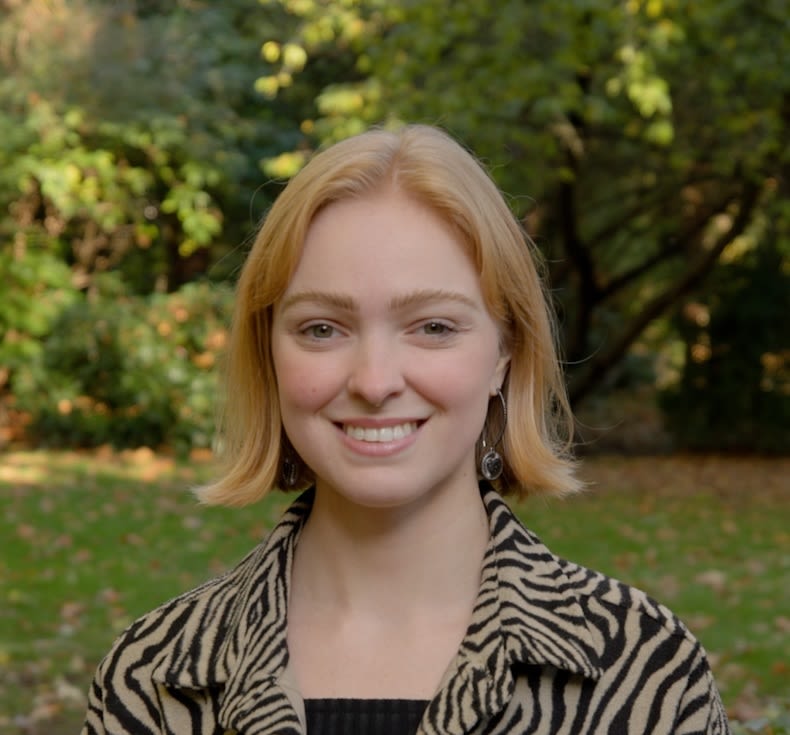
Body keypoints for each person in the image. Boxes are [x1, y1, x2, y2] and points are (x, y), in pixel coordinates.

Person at [82, 125, 730, 734]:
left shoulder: (644, 668)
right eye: (322, 328)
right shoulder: (155, 678)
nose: (374, 379)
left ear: (506, 351)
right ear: (268, 353)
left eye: (433, 326)